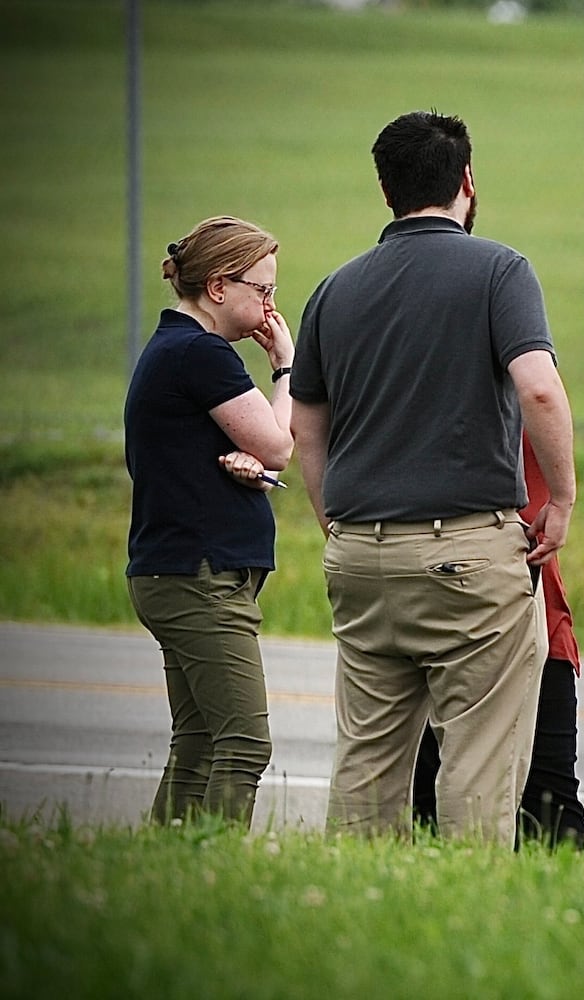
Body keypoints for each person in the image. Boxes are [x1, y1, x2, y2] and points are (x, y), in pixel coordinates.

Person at [290, 110, 576, 848]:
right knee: (478, 762)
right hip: (465, 552)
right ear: (467, 183)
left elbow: (305, 430)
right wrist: (564, 499)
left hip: (358, 552)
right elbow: (539, 389)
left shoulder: (333, 290)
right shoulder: (498, 270)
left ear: (385, 190)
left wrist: (336, 524)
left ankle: (351, 911)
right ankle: (464, 915)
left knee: (367, 761)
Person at [124, 215, 295, 828]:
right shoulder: (201, 353)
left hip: (175, 570)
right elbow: (279, 446)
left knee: (197, 743)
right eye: (264, 290)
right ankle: (215, 870)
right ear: (219, 288)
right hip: (198, 577)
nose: (271, 306)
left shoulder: (172, 348)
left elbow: (217, 457)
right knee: (246, 743)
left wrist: (241, 471)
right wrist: (285, 366)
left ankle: (169, 865)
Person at [412, 433, 584, 850]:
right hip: (494, 583)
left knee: (423, 792)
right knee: (545, 806)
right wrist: (564, 499)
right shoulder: (520, 369)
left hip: (426, 588)